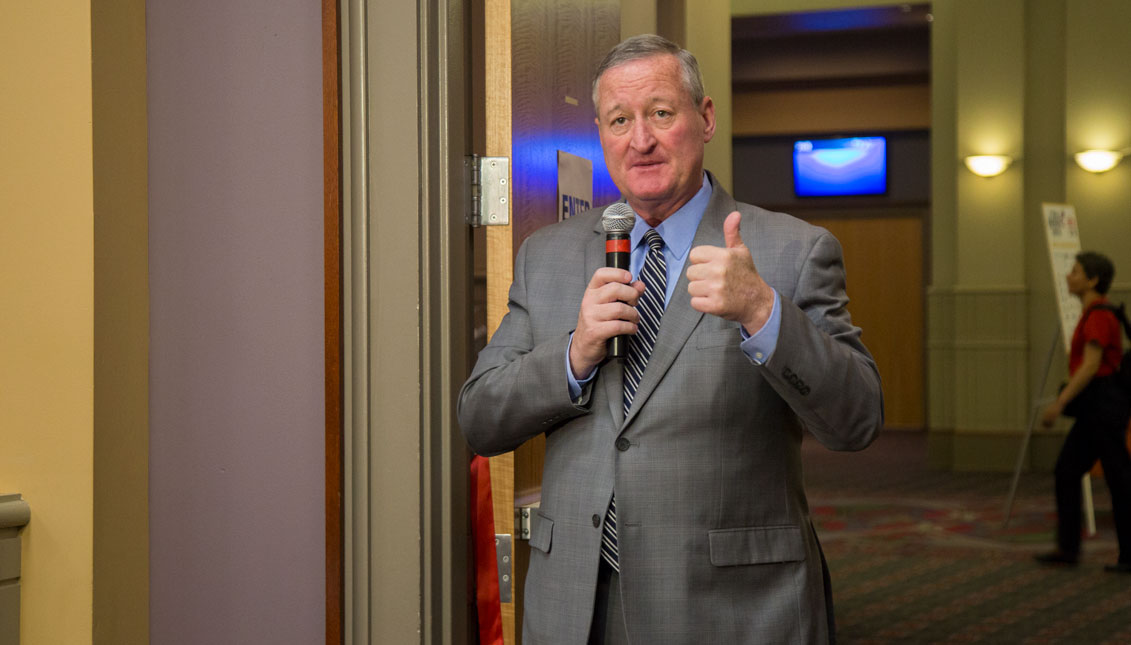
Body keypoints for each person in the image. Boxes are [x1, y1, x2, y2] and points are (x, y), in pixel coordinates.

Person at [458, 34, 883, 644]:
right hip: (579, 610)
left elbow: (857, 419)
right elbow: (480, 418)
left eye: (660, 113)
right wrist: (574, 352)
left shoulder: (792, 250)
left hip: (733, 612)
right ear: (600, 133)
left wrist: (763, 311)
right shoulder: (547, 256)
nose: (641, 140)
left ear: (704, 118)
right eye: (619, 120)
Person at [1036, 252, 1131, 573]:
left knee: (1119, 479)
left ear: (1092, 280)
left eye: (1075, 272)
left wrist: (1060, 403)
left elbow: (1091, 365)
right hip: (1097, 408)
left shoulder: (1099, 316)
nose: (1068, 276)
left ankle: (1125, 554)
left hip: (1103, 405)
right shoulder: (1093, 312)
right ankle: (1068, 548)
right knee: (1068, 471)